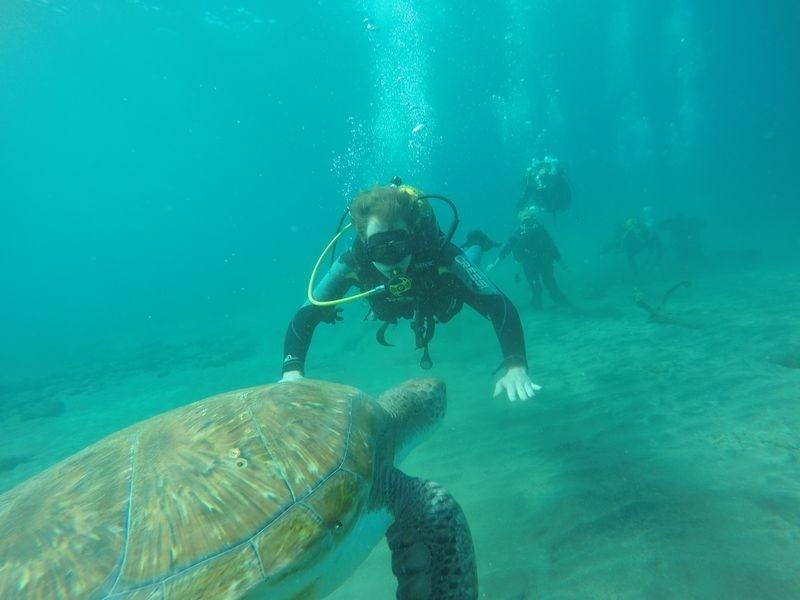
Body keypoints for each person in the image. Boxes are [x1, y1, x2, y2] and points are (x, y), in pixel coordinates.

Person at [281, 183, 540, 402]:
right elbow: (305, 315)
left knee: (469, 263)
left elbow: (498, 304)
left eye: (399, 245)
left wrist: (515, 364)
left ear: (412, 236)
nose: (392, 260)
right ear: (364, 243)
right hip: (391, 306)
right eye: (380, 249)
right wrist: (292, 373)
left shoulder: (439, 253)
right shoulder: (354, 261)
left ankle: (476, 243)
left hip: (440, 297)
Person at [487, 205, 569, 308]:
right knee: (540, 286)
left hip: (539, 262)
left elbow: (552, 248)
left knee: (547, 284)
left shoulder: (536, 231)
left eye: (529, 219)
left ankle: (560, 304)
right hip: (535, 263)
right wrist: (495, 264)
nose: (528, 223)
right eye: (525, 220)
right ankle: (544, 307)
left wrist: (563, 265)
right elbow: (507, 249)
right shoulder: (523, 232)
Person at [604, 208, 663, 279]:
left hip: (640, 244)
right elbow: (628, 252)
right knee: (621, 247)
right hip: (634, 243)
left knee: (627, 251)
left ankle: (636, 274)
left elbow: (660, 249)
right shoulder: (633, 233)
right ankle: (636, 275)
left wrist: (657, 264)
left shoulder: (653, 234)